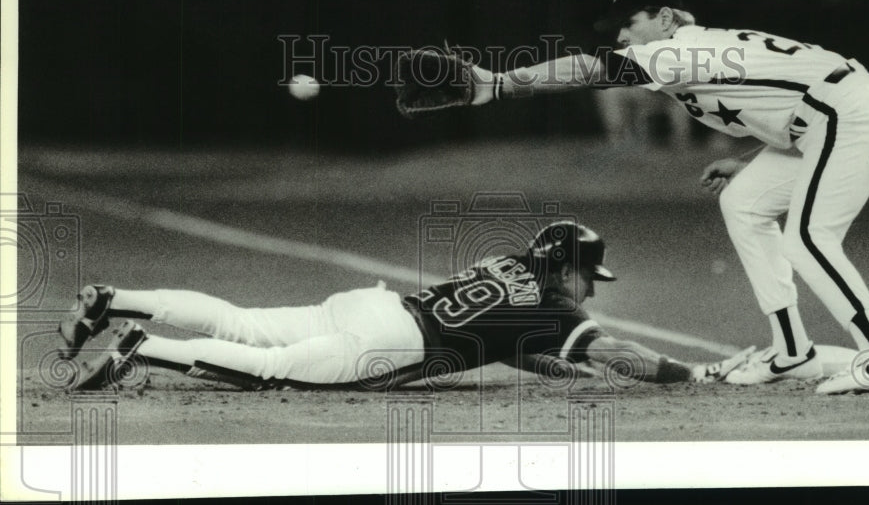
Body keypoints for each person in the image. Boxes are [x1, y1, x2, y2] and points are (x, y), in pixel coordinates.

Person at [465, 0, 869, 394]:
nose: (621, 36)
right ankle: (792, 350)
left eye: (629, 24)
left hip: (848, 111)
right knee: (744, 200)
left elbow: (586, 68)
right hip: (826, 117)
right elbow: (793, 100)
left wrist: (500, 84)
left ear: (665, 18)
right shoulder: (696, 51)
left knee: (809, 237)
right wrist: (749, 160)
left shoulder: (678, 50)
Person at [58, 221, 753, 392]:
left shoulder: (504, 264)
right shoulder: (558, 310)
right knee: (268, 369)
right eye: (588, 275)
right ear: (566, 268)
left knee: (241, 318)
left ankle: (119, 299)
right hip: (388, 341)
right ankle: (145, 348)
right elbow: (619, 353)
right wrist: (689, 374)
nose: (592, 288)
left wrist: (562, 371)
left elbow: (511, 343)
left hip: (366, 306)